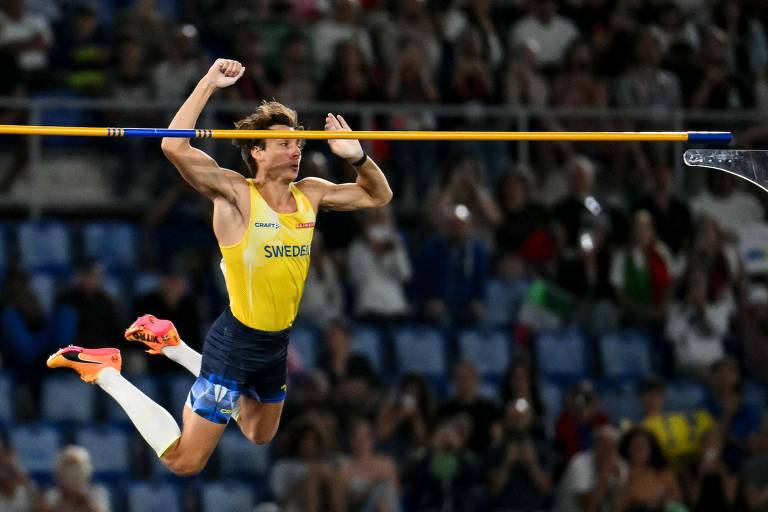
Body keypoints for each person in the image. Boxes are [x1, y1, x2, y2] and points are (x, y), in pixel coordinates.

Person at [46, 58, 393, 476]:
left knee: (257, 431)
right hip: (234, 345)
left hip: (275, 343)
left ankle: (173, 345)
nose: (296, 150)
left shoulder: (312, 193)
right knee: (184, 461)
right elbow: (173, 146)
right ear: (256, 152)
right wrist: (208, 83)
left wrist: (357, 158)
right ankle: (104, 371)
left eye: (299, 143)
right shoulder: (235, 195)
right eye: (284, 144)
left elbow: (378, 196)